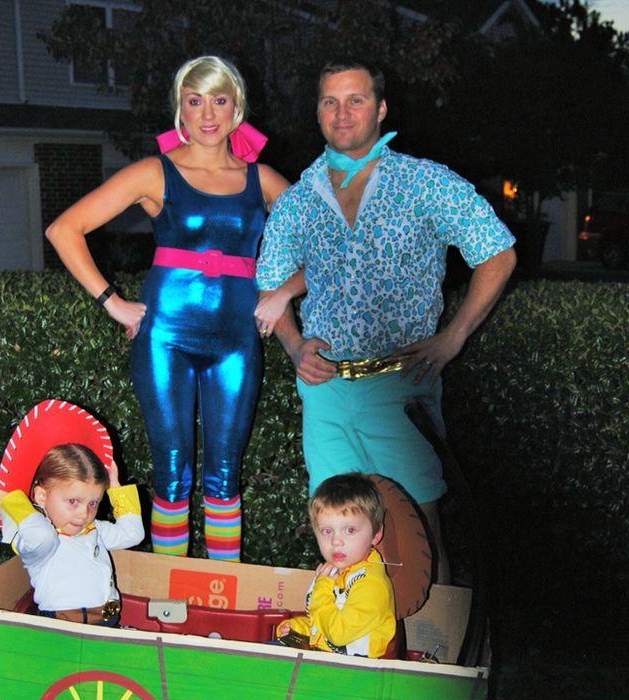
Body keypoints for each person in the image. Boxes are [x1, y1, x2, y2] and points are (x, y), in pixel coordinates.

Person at [255, 59, 517, 581]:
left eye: (355, 99)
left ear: (380, 108)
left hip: (399, 384)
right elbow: (271, 282)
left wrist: (453, 338)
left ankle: (432, 649)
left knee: (416, 527)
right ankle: (353, 645)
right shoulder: (299, 198)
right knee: (337, 529)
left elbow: (497, 254)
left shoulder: (424, 182)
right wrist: (292, 345)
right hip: (326, 389)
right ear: (317, 112)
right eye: (330, 101)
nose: (342, 112)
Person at [46, 55, 295, 562]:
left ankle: (224, 598)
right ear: (180, 108)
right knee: (173, 470)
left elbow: (330, 244)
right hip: (166, 340)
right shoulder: (152, 172)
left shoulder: (262, 178)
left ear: (237, 107)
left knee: (226, 473)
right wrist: (112, 302)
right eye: (195, 100)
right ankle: (170, 599)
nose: (208, 113)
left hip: (236, 343)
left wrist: (285, 291)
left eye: (219, 100)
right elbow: (63, 229)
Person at [0, 443, 144, 625]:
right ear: (42, 497)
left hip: (108, 616)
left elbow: (133, 534)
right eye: (73, 501)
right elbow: (41, 536)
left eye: (93, 503)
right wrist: (14, 504)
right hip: (63, 624)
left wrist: (116, 489)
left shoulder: (94, 529)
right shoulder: (37, 541)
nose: (84, 513)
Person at [277, 473, 397, 658]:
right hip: (331, 662)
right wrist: (297, 629)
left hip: (358, 675)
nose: (336, 541)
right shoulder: (340, 570)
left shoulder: (371, 584)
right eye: (326, 531)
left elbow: (338, 634)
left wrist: (322, 588)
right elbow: (323, 623)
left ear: (376, 534)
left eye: (349, 530)